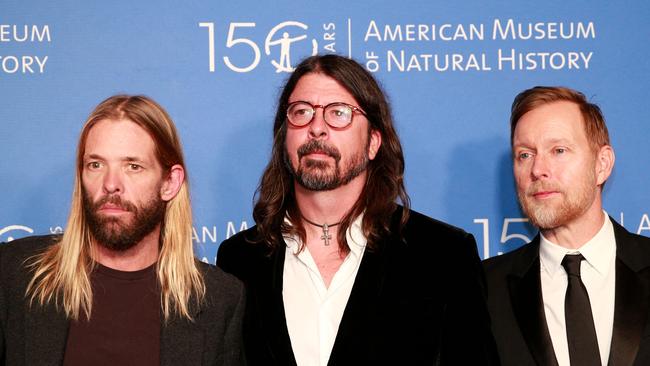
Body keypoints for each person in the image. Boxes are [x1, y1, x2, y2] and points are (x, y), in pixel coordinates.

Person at [217, 54, 498, 365]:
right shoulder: (239, 258)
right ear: (285, 137)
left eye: (339, 113)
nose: (317, 128)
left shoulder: (443, 255)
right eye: (301, 112)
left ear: (373, 142)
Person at [0, 95, 245, 365]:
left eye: (133, 166)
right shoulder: (13, 274)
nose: (111, 184)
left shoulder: (218, 300)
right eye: (96, 164)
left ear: (170, 183)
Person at [484, 86, 650, 366]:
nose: (537, 169)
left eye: (558, 150)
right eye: (525, 154)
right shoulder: (484, 290)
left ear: (602, 164)